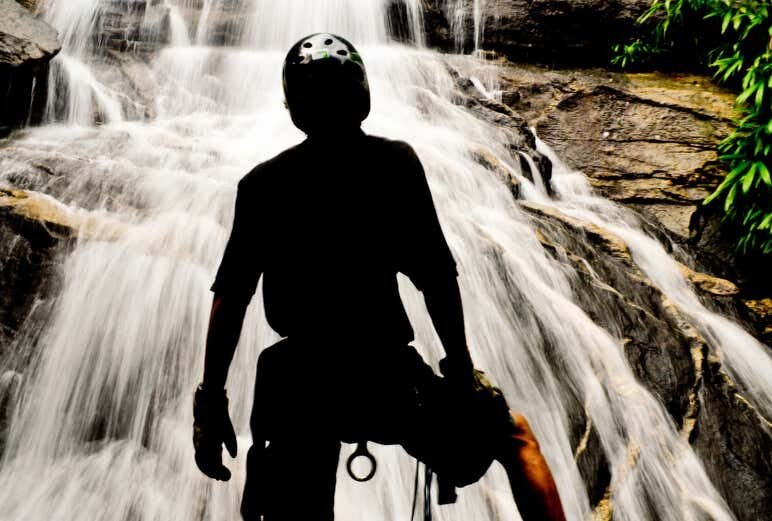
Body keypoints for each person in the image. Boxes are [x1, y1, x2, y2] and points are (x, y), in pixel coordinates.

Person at [192, 32, 567, 521]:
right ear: (362, 97)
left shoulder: (262, 185)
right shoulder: (394, 164)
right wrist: (459, 366)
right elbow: (436, 276)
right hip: (383, 375)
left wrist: (211, 399)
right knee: (513, 438)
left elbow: (232, 298)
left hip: (298, 382)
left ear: (293, 107)